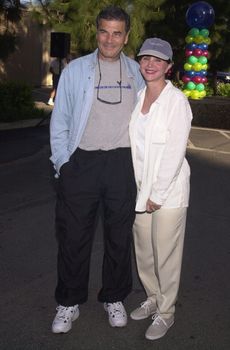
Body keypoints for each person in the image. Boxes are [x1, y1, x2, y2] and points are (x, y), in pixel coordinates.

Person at [49, 5, 144, 334]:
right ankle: (68, 302)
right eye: (104, 31)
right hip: (83, 163)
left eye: (117, 33)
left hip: (121, 163)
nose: (109, 39)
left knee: (119, 237)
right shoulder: (76, 70)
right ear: (96, 32)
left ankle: (114, 296)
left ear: (126, 37)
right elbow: (59, 119)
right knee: (73, 237)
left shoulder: (136, 72)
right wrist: (64, 162)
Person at [129, 38, 192, 340]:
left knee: (164, 253)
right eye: (145, 58)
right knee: (144, 250)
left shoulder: (176, 101)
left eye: (158, 60)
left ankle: (166, 312)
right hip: (141, 190)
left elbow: (174, 152)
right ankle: (153, 296)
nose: (150, 64)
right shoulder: (139, 95)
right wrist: (142, 190)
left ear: (169, 66)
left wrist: (157, 194)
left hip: (168, 192)